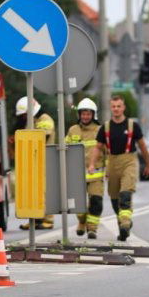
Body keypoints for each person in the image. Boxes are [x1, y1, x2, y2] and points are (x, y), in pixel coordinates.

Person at [88, 95, 149, 241]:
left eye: (119, 106)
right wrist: (92, 164)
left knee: (125, 193)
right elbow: (97, 148)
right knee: (114, 197)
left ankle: (125, 223)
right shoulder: (105, 127)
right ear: (111, 108)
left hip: (129, 160)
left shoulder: (132, 126)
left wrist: (148, 164)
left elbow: (142, 146)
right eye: (113, 106)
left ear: (123, 108)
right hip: (112, 162)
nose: (116, 109)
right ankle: (123, 225)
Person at [65, 98, 105, 239]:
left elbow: (107, 151)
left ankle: (92, 229)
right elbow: (65, 150)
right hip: (77, 176)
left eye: (88, 114)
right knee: (78, 206)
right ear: (79, 115)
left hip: (96, 175)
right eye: (83, 114)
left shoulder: (100, 130)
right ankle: (82, 221)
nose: (85, 116)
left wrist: (110, 169)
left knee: (96, 202)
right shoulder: (73, 130)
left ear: (93, 115)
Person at [15, 96, 56, 230]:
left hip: (45, 160)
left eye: (24, 114)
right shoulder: (31, 121)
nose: (23, 117)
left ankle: (48, 220)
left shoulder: (45, 119)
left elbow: (42, 135)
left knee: (44, 191)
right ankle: (34, 219)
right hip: (34, 161)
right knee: (33, 192)